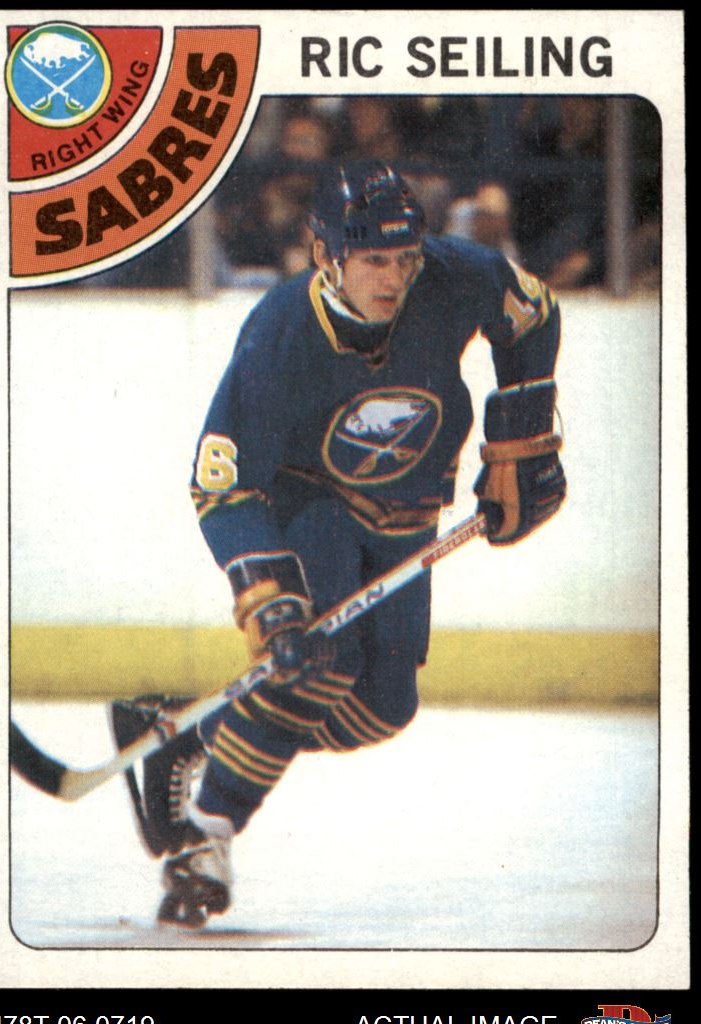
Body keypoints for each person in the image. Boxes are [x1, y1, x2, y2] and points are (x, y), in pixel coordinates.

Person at [152, 161, 566, 928]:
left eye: (406, 258)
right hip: (313, 501)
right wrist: (269, 599)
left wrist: (522, 440)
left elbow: (533, 314)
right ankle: (203, 840)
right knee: (320, 662)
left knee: (384, 707)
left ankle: (196, 735)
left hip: (409, 505)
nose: (396, 279)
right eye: (375, 260)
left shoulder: (455, 274)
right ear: (325, 254)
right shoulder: (280, 330)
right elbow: (223, 486)